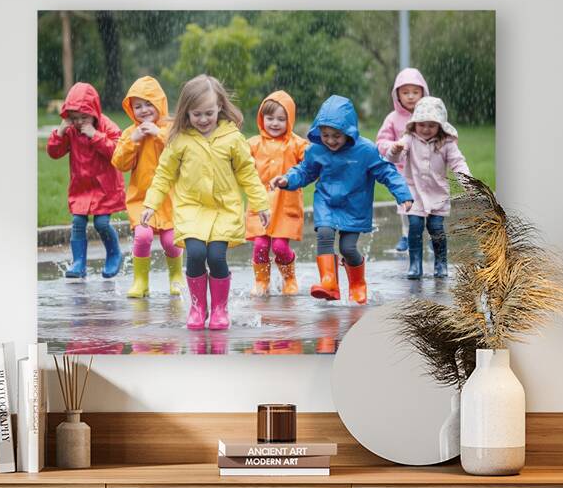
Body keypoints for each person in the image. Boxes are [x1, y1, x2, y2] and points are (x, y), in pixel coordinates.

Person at [142, 75, 270, 330]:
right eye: (196, 114)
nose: (202, 120)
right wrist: (151, 204)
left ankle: (220, 309)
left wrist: (260, 204)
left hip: (224, 209)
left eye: (208, 113)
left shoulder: (232, 138)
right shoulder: (180, 140)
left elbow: (247, 173)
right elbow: (164, 174)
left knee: (216, 256)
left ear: (220, 106)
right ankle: (198, 307)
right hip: (191, 208)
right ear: (186, 112)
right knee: (197, 254)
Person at [273, 95, 412, 305]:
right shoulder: (317, 150)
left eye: (336, 135)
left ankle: (357, 284)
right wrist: (287, 179)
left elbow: (387, 172)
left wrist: (402, 194)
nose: (330, 140)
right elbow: (304, 171)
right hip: (326, 202)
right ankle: (329, 283)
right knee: (325, 234)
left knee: (348, 248)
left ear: (349, 131)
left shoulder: (365, 151)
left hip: (354, 206)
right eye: (325, 134)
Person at [111, 76, 185, 298]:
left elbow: (181, 150)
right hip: (141, 200)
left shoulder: (171, 128)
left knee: (171, 242)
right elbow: (119, 163)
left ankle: (176, 277)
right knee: (142, 237)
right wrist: (133, 140)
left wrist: (159, 133)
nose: (143, 110)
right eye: (137, 106)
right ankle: (140, 281)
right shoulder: (130, 134)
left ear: (159, 103)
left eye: (148, 104)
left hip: (169, 198)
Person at [382, 96, 470, 279]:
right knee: (414, 226)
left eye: (431, 125)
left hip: (437, 193)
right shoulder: (409, 139)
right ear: (414, 124)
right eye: (422, 125)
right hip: (413, 192)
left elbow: (458, 163)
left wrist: (467, 181)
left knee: (436, 227)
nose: (426, 129)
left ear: (440, 126)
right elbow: (393, 159)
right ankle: (415, 264)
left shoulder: (446, 144)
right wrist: (395, 150)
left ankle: (441, 262)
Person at [45, 81, 125, 279]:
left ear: (94, 112)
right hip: (82, 186)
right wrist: (60, 132)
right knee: (78, 222)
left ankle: (114, 254)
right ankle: (79, 262)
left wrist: (95, 135)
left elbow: (118, 152)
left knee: (102, 224)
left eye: (84, 117)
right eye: (74, 118)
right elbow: (54, 153)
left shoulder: (106, 126)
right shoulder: (71, 129)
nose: (79, 122)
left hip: (104, 186)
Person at [246, 91, 307, 296]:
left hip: (285, 203)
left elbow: (311, 161)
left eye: (281, 119)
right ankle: (262, 280)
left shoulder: (296, 144)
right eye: (269, 118)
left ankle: (289, 277)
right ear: (261, 118)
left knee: (280, 246)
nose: (274, 123)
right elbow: (238, 160)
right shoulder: (253, 143)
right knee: (260, 246)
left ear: (289, 120)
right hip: (260, 203)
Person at [375, 67, 429, 252]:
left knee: (429, 205)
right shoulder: (393, 118)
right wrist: (393, 146)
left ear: (424, 92)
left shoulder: (430, 116)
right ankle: (406, 235)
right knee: (405, 204)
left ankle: (431, 235)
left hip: (426, 170)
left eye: (415, 92)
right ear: (397, 94)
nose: (411, 96)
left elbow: (443, 133)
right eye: (405, 92)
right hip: (402, 170)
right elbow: (381, 141)